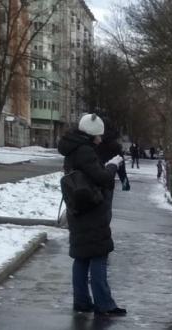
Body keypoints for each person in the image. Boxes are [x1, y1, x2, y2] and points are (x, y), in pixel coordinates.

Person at [58, 113, 127, 317]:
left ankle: (81, 301)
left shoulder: (72, 149)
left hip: (78, 207)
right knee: (98, 254)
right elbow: (102, 178)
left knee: (81, 256)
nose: (100, 138)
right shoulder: (85, 151)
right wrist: (112, 165)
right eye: (99, 135)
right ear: (92, 134)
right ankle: (104, 304)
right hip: (91, 209)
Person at [96, 120, 130, 191]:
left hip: (93, 181)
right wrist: (125, 183)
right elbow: (121, 166)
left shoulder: (94, 143)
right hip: (108, 180)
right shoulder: (115, 146)